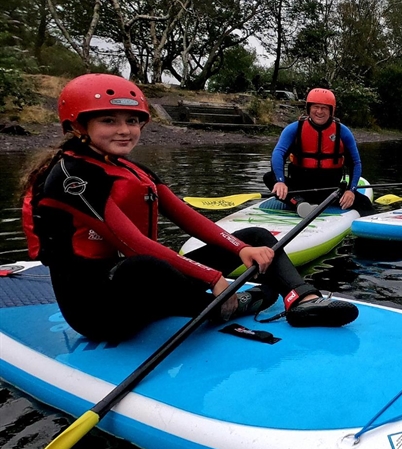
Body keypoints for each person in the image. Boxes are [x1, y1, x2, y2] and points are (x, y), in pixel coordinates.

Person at [21, 74, 357, 342]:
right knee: (143, 265)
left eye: (132, 120)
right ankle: (222, 306)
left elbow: (189, 218)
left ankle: (302, 300)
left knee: (256, 236)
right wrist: (212, 277)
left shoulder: (132, 169)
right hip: (100, 310)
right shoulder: (71, 177)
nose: (124, 130)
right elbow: (132, 244)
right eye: (109, 120)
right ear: (79, 126)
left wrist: (240, 250)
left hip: (143, 291)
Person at [263, 87, 372, 215]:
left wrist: (351, 190)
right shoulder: (294, 129)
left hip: (331, 191)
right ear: (309, 108)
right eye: (316, 107)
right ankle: (299, 204)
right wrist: (280, 181)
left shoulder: (343, 132)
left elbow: (356, 163)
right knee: (270, 177)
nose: (319, 111)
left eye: (324, 108)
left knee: (365, 203)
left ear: (331, 110)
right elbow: (278, 154)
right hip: (300, 189)